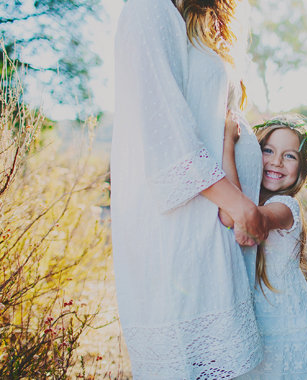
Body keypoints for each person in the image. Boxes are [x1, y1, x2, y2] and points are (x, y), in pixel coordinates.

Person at [111, 0, 268, 378]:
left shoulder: (189, 18)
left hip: (214, 228)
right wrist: (240, 206)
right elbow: (163, 128)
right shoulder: (148, 8)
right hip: (180, 232)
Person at [219, 114, 307, 379]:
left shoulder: (286, 208)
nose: (276, 161)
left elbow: (238, 218)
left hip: (289, 333)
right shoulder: (251, 198)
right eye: (268, 150)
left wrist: (227, 142)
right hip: (252, 331)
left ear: (303, 168)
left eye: (290, 156)